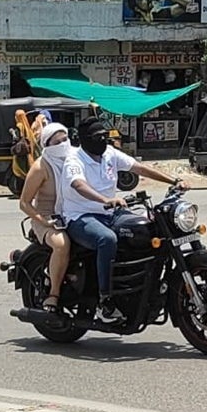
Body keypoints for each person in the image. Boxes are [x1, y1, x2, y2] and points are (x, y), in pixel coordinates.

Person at [59, 118, 186, 324]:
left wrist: (174, 181)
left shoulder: (110, 154)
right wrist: (105, 200)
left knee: (146, 228)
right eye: (97, 137)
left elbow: (139, 168)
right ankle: (105, 301)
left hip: (111, 213)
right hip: (80, 216)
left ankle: (140, 285)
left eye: (104, 136)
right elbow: (78, 185)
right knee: (107, 240)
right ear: (84, 140)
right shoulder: (74, 159)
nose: (102, 140)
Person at [17, 122, 75, 313]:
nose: (63, 144)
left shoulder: (76, 158)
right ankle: (54, 294)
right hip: (48, 217)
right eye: (57, 142)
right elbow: (24, 202)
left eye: (65, 139)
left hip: (75, 213)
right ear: (47, 145)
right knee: (61, 244)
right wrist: (42, 221)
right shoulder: (41, 166)